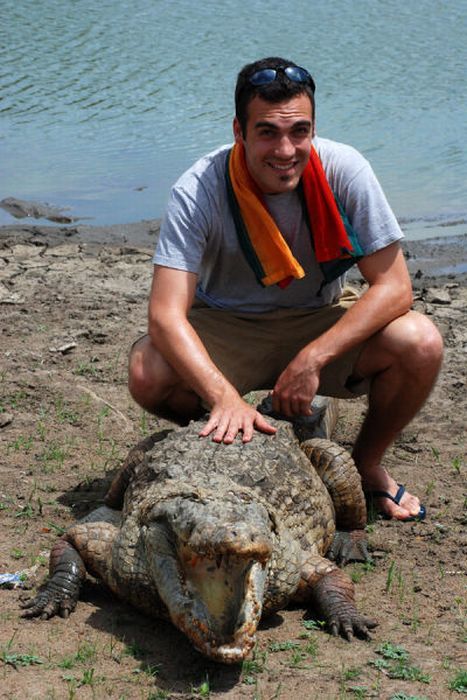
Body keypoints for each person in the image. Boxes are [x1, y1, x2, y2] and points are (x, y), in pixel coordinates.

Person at [128, 57, 443, 522]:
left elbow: (395, 288)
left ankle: (366, 464)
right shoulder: (198, 188)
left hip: (318, 315)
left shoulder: (345, 170)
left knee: (421, 342)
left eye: (300, 131)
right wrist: (223, 396)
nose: (286, 149)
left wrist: (311, 359)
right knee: (146, 369)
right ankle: (235, 439)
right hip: (226, 324)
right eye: (268, 132)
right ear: (239, 130)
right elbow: (165, 315)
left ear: (314, 127)